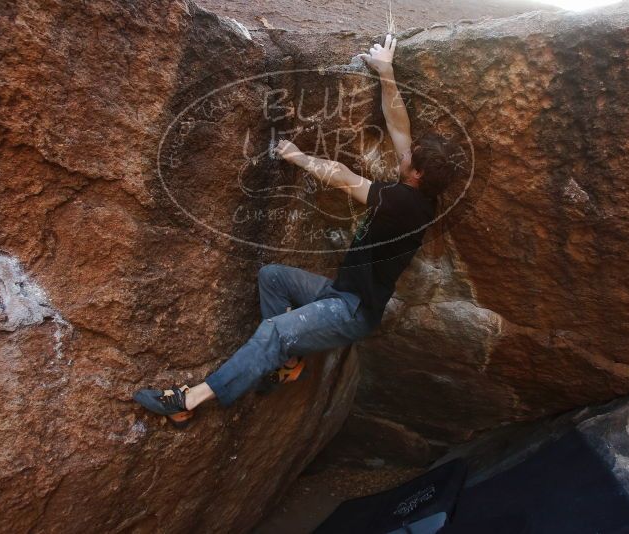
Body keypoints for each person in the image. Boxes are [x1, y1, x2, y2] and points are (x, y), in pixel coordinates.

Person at [134, 34, 464, 428]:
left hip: (351, 310)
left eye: (409, 158)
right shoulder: (422, 194)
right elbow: (400, 126)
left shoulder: (403, 205)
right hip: (342, 292)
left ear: (418, 174)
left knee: (275, 330)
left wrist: (297, 156)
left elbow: (342, 176)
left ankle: (190, 399)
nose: (403, 154)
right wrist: (386, 72)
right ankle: (287, 363)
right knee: (272, 278)